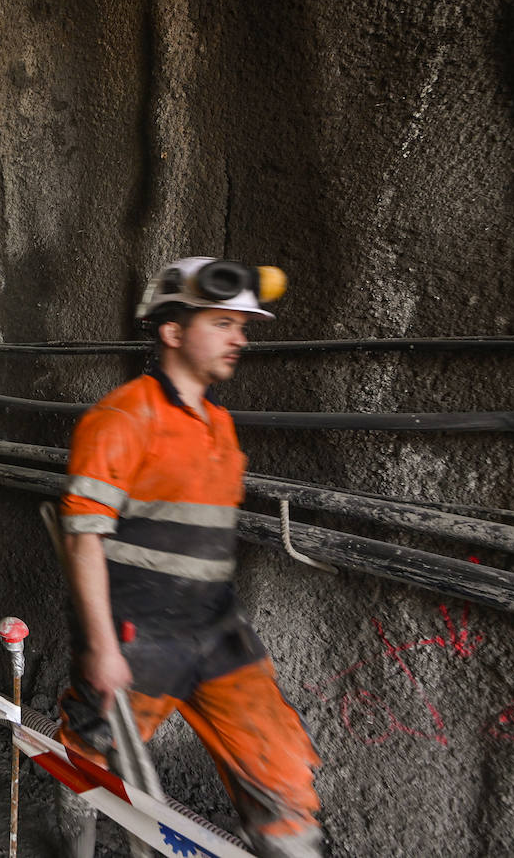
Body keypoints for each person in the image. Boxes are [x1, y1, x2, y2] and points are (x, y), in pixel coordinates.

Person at [54, 257, 322, 858]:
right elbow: (83, 537)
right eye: (223, 324)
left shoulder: (219, 425)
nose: (240, 339)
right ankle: (75, 839)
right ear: (172, 331)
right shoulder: (122, 417)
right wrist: (101, 647)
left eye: (242, 326)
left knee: (282, 773)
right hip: (137, 634)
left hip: (216, 628)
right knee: (95, 762)